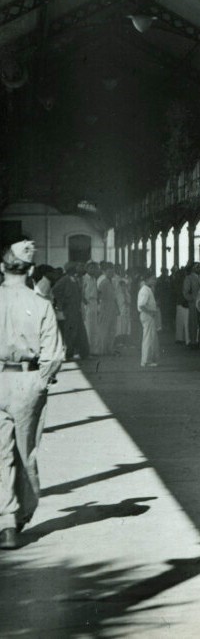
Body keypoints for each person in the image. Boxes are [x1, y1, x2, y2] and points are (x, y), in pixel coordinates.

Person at [0, 235, 65, 549]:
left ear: (2, 268)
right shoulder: (41, 305)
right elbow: (54, 354)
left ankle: (7, 522)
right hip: (28, 381)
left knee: (0, 454)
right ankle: (23, 512)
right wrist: (42, 381)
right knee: (26, 451)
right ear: (31, 270)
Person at [51, 265, 89, 362]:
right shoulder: (65, 280)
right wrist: (63, 301)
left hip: (76, 309)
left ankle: (82, 353)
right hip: (69, 310)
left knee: (79, 331)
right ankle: (68, 353)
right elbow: (55, 290)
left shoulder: (75, 280)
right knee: (70, 332)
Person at [136, 272, 160, 368]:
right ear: (146, 280)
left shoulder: (148, 289)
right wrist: (151, 312)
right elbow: (141, 305)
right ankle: (145, 361)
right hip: (147, 315)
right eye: (153, 279)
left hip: (149, 315)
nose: (155, 281)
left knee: (151, 338)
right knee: (148, 338)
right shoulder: (145, 290)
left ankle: (149, 359)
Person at [94, 263, 119, 356]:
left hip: (112, 307)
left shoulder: (112, 281)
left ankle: (109, 348)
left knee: (112, 329)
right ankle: (102, 349)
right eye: (109, 271)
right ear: (105, 272)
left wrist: (117, 308)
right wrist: (100, 307)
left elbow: (114, 297)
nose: (111, 273)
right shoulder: (103, 282)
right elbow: (98, 295)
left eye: (112, 271)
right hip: (105, 306)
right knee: (104, 329)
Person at [181, 264, 200, 347]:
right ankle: (193, 341)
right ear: (193, 268)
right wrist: (192, 299)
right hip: (193, 304)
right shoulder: (189, 278)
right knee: (193, 322)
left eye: (199, 267)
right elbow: (185, 292)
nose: (199, 269)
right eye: (197, 267)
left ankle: (199, 340)